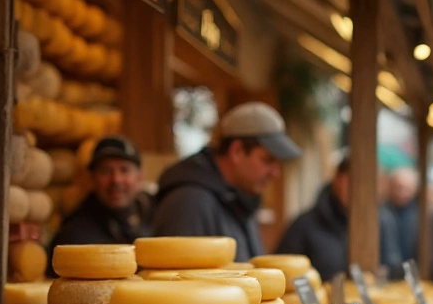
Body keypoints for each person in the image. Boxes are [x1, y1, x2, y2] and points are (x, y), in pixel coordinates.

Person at [153, 102, 301, 260]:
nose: (275, 173)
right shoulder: (189, 203)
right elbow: (176, 280)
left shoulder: (240, 198)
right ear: (237, 151)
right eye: (267, 160)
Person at [276, 152, 402, 280]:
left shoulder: (383, 221)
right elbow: (281, 274)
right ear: (337, 179)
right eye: (354, 181)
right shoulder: (304, 225)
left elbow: (393, 264)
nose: (360, 190)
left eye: (369, 183)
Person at [48, 135, 152, 254]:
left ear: (139, 177)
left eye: (124, 170)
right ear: (92, 179)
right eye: (106, 171)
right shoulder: (75, 237)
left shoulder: (156, 215)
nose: (116, 180)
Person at [385, 166, 419, 263]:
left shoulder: (419, 216)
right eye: (398, 188)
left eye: (406, 189)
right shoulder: (382, 213)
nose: (401, 193)